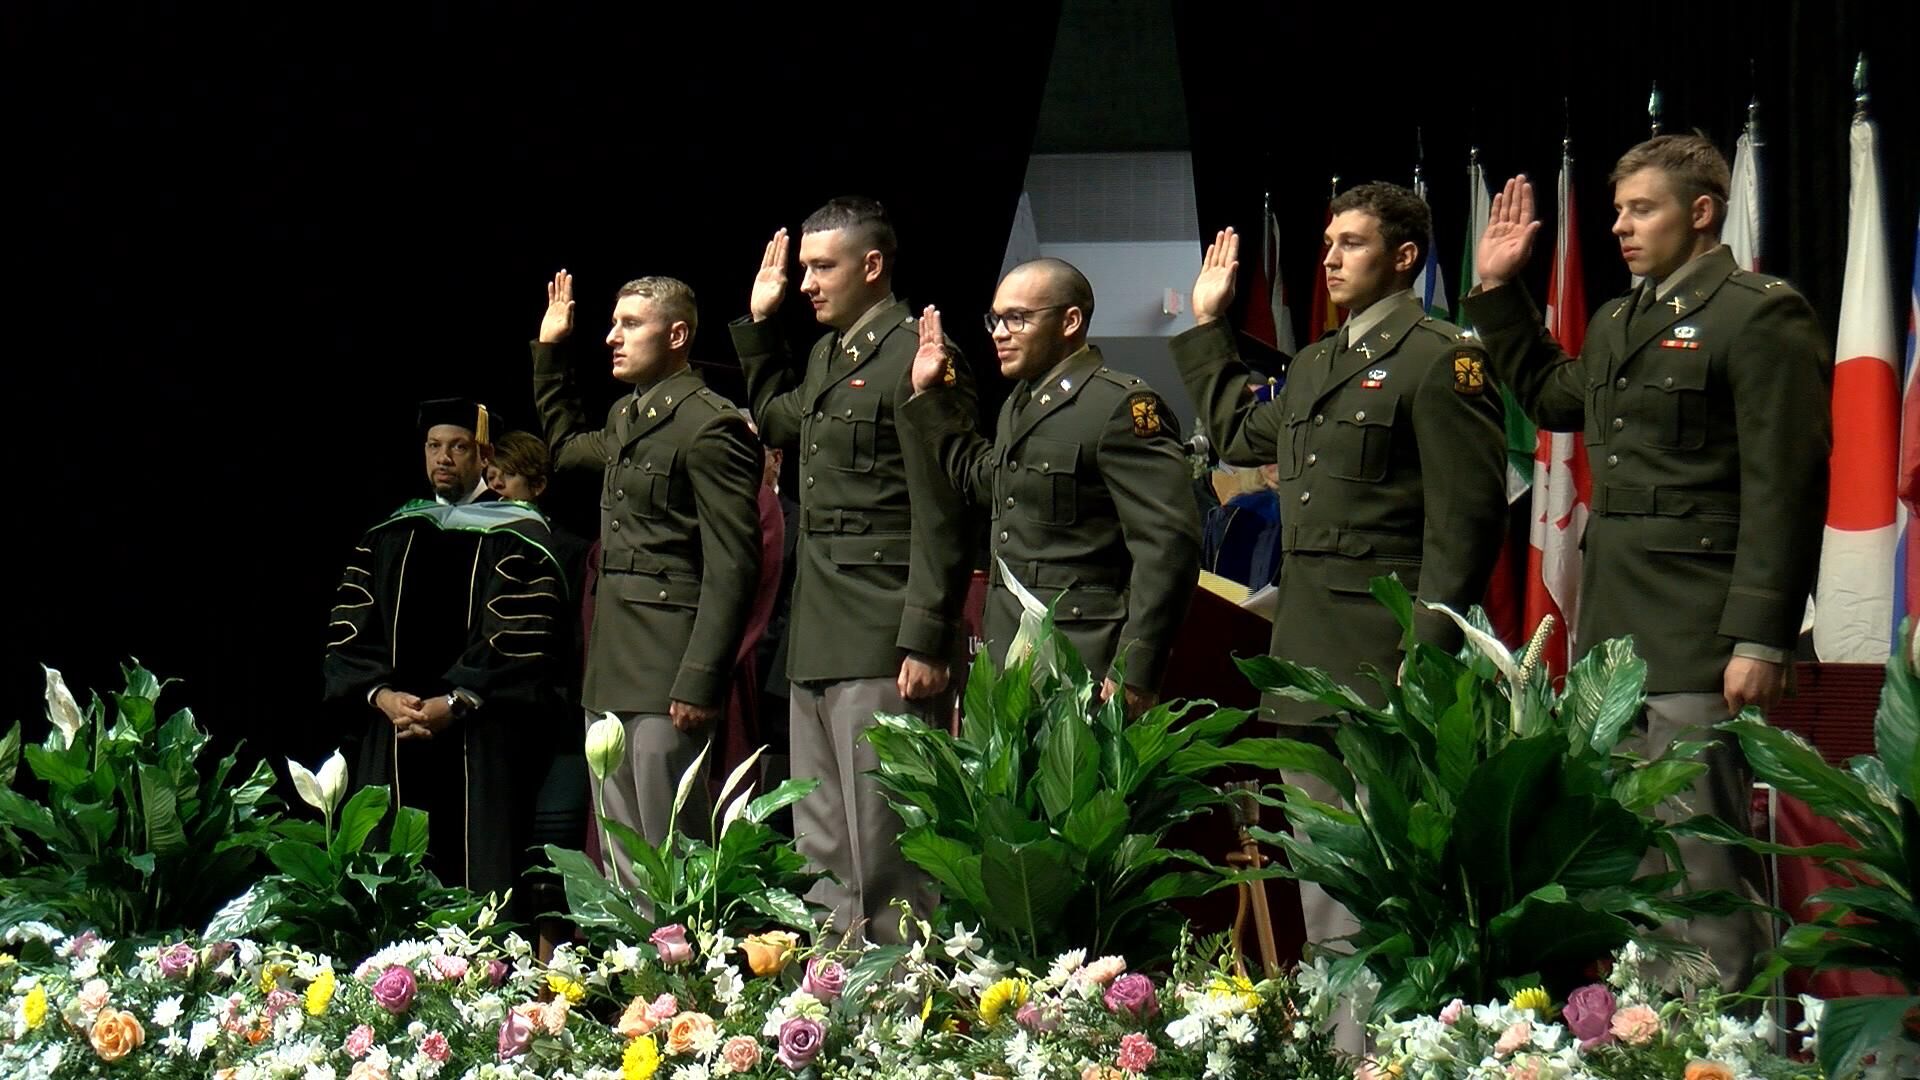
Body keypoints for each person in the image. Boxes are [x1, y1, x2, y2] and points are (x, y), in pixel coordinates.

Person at [1465, 135, 1832, 986]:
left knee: (1702, 880)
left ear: (1701, 213)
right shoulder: (1622, 318)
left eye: (1643, 210)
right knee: (1639, 876)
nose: (1621, 229)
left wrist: (1761, 637)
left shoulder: (1759, 311)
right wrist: (1497, 291)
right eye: (1618, 212)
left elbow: (1786, 485)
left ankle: (1720, 1055)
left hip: (1700, 631)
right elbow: (1559, 398)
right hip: (1618, 636)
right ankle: (1653, 1047)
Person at [1172, 184, 1508, 1014]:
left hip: (1379, 662)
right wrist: (1208, 328)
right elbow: (1240, 436)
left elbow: (1465, 526)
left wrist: (1422, 656)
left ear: (1404, 258)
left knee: (1385, 885)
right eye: (1326, 241)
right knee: (1323, 882)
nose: (1328, 256)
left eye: (1350, 243)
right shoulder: (1320, 362)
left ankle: (1389, 1051)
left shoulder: (1441, 357)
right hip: (1305, 659)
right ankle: (1342, 1047)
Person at [729, 196, 975, 942]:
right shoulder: (827, 355)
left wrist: (928, 634)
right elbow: (779, 420)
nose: (806, 281)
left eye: (821, 266)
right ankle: (836, 1008)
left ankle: (900, 1021)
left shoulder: (918, 353)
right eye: (803, 266)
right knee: (825, 844)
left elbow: (942, 506)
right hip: (821, 624)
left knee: (889, 847)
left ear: (872, 266)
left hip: (884, 626)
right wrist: (760, 328)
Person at [532, 272, 763, 867]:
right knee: (620, 850)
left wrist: (700, 678)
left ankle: (683, 963)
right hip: (611, 663)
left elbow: (734, 564)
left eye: (631, 324)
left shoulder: (708, 425)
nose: (613, 336)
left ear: (678, 334)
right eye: (613, 323)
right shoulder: (626, 416)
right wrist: (551, 354)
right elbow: (562, 450)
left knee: (672, 849)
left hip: (667, 667)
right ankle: (631, 963)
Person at [903, 258, 1200, 709]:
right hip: (1010, 658)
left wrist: (1137, 668)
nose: (999, 332)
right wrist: (932, 398)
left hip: (1083, 660)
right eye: (995, 319)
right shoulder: (1019, 403)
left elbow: (1168, 547)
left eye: (1017, 318)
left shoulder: (1119, 406)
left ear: (1070, 321)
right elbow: (984, 482)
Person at [323, 398, 568, 900]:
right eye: (434, 446)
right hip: (392, 730)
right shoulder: (390, 534)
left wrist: (455, 702)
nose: (443, 458)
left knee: (479, 881)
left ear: (484, 456)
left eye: (458, 447)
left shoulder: (519, 538)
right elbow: (351, 626)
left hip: (482, 737)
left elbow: (523, 640)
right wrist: (380, 694)